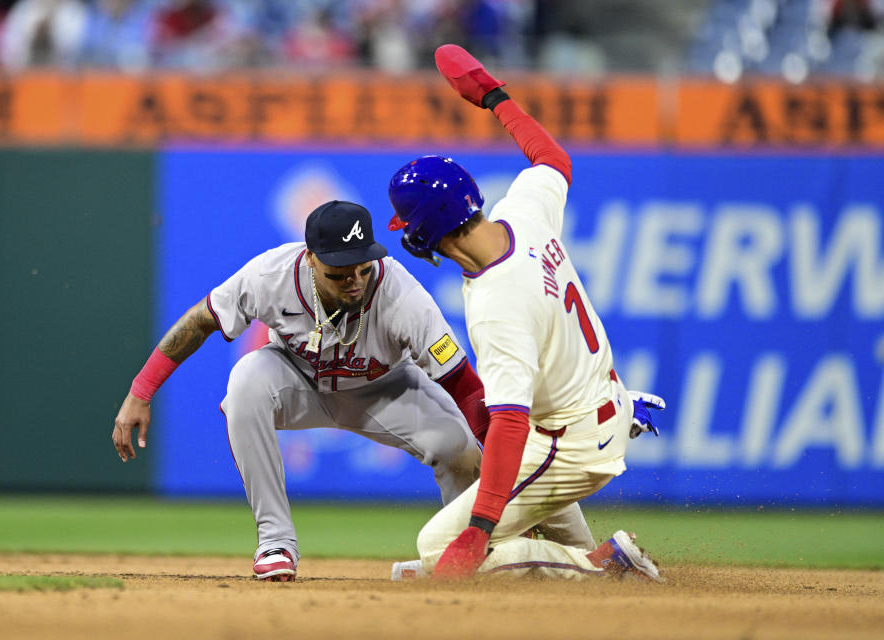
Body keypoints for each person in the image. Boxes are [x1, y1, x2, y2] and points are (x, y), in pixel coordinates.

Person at [386, 44, 666, 581]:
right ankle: (585, 564)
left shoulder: (496, 305)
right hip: (595, 402)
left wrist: (479, 529)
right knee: (509, 467)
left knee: (433, 545)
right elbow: (552, 160)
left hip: (568, 438)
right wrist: (496, 98)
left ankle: (603, 567)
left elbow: (511, 424)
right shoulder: (521, 212)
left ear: (424, 230)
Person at [113, 200, 495, 582]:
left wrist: (507, 466)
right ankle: (275, 542)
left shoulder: (402, 297)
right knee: (246, 381)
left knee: (457, 445)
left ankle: (472, 553)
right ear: (310, 258)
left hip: (385, 390)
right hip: (298, 381)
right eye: (340, 273)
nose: (356, 280)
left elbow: (463, 384)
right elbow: (200, 322)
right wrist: (140, 392)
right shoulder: (270, 275)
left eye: (363, 266)